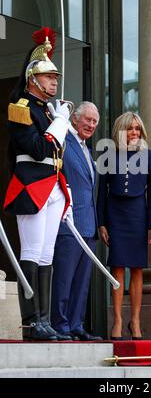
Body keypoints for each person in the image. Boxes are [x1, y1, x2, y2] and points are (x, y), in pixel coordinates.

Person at [3, 27, 72, 341]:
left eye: (55, 77)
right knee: (31, 252)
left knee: (47, 255)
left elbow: (56, 157)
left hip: (53, 186)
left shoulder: (46, 110)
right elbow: (40, 149)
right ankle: (32, 323)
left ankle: (44, 321)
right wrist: (60, 123)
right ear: (33, 80)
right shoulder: (21, 108)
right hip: (31, 187)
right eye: (49, 77)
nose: (54, 81)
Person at [97, 112, 151, 340]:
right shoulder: (108, 154)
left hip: (137, 215)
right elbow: (101, 193)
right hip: (115, 215)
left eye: (137, 129)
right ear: (120, 131)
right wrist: (101, 222)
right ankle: (118, 320)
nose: (134, 133)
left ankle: (135, 320)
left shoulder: (148, 156)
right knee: (116, 267)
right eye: (129, 129)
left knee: (136, 268)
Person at [51, 102, 102, 341]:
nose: (91, 125)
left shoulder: (86, 149)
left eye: (94, 122)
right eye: (87, 120)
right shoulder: (64, 142)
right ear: (74, 120)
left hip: (88, 227)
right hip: (68, 223)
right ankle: (60, 325)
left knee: (82, 282)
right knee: (64, 277)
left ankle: (75, 324)